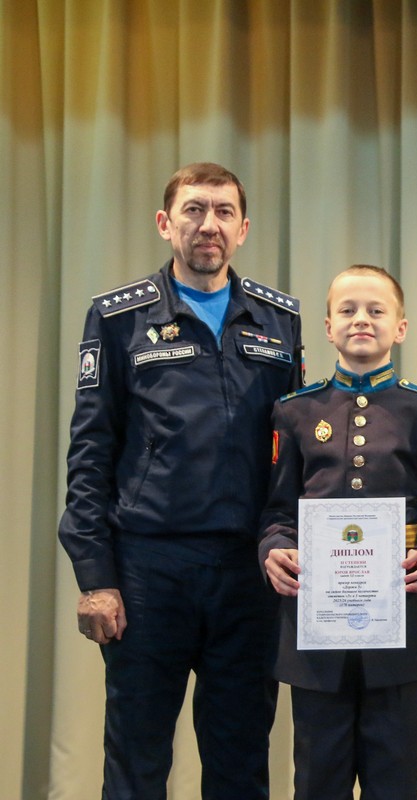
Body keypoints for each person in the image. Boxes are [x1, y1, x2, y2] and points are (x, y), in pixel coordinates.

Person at [58, 162, 303, 798]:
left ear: (243, 229)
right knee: (137, 761)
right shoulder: (117, 317)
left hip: (248, 573)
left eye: (224, 212)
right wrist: (95, 577)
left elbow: (295, 453)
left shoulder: (280, 319)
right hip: (148, 571)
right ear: (166, 223)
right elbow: (90, 451)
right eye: (194, 210)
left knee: (240, 762)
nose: (208, 225)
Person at [259, 265, 417, 799]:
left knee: (395, 781)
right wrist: (274, 548)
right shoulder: (294, 411)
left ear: (400, 328)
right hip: (316, 627)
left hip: (401, 623)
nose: (361, 320)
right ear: (328, 327)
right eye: (347, 310)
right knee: (318, 780)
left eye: (376, 311)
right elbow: (277, 511)